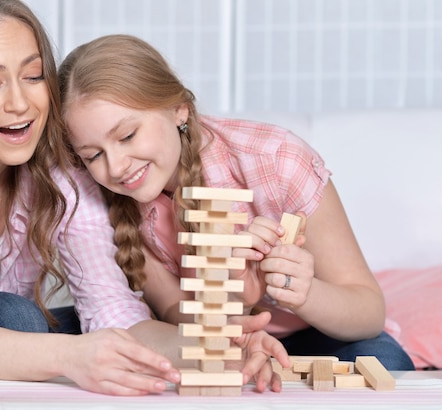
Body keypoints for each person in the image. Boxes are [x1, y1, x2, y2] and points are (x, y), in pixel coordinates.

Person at [0, 2, 288, 408]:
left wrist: (211, 348)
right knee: (16, 317)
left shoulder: (60, 173)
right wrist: (71, 356)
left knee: (70, 325)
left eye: (35, 76)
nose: (20, 103)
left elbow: (114, 313)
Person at [57, 34, 415, 371]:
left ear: (179, 109)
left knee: (385, 360)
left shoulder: (277, 160)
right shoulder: (110, 197)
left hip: (315, 335)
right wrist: (232, 302)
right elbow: (171, 309)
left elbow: (369, 311)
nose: (116, 166)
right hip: (211, 339)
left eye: (128, 135)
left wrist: (299, 292)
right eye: (92, 155)